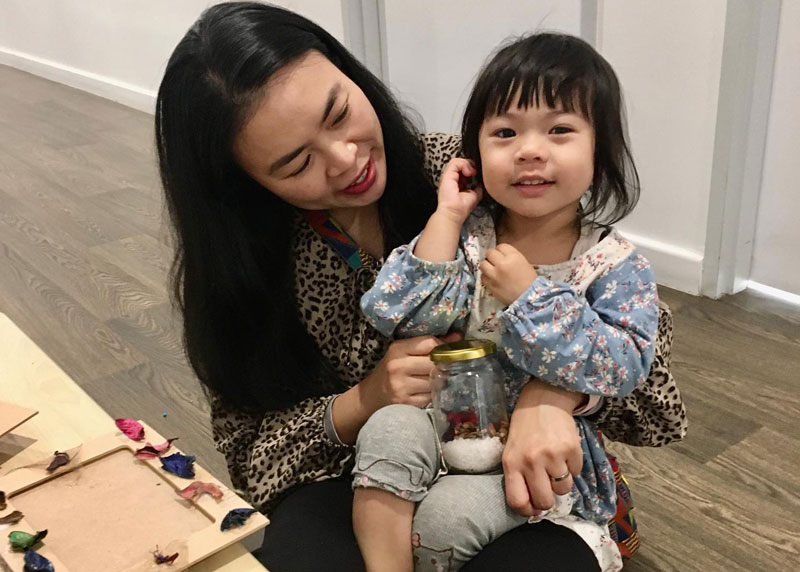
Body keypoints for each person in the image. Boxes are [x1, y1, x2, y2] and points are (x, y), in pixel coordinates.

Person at [155, 3, 685, 571]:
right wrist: (364, 400)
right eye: (295, 163)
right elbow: (255, 458)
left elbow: (646, 368)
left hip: (517, 467)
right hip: (359, 467)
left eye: (338, 114)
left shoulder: (466, 176)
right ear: (244, 183)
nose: (345, 159)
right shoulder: (245, 271)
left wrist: (553, 394)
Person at [353, 32, 657, 572]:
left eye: (560, 129)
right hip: (447, 424)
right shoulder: (471, 238)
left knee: (446, 519)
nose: (530, 149)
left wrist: (532, 297)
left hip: (533, 458)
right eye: (505, 132)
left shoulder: (613, 264)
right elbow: (393, 314)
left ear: (600, 148)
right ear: (477, 151)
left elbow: (625, 364)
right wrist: (445, 219)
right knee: (384, 431)